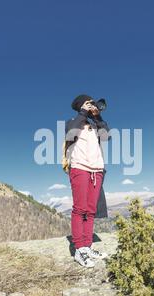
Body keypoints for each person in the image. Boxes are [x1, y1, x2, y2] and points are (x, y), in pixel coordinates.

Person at [64, 94, 110, 268]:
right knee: (80, 208)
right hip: (79, 168)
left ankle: (87, 246)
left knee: (90, 210)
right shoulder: (72, 122)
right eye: (88, 103)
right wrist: (83, 112)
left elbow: (106, 137)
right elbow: (69, 135)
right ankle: (79, 249)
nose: (91, 105)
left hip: (96, 170)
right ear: (80, 106)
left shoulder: (93, 125)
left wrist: (98, 116)